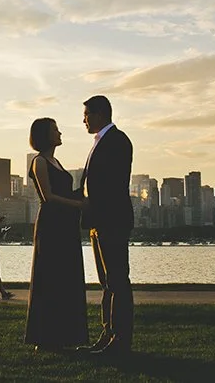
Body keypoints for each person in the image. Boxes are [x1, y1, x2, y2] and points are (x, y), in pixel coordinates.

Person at [24, 118, 88, 352]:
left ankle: (66, 335)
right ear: (44, 135)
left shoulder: (56, 161)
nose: (60, 132)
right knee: (50, 276)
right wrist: (78, 204)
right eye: (55, 129)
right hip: (52, 225)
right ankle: (46, 336)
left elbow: (62, 192)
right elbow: (48, 197)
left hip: (65, 223)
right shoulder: (39, 162)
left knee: (66, 276)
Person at [79, 95, 134, 357]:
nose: (84, 120)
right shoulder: (102, 142)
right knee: (107, 281)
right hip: (99, 222)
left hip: (111, 220)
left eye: (87, 114)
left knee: (117, 281)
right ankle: (108, 333)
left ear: (101, 113)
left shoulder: (118, 141)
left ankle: (120, 339)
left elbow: (112, 185)